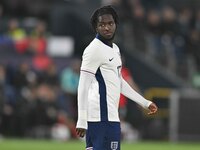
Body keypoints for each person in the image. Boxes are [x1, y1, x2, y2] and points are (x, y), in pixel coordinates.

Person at [76, 5, 158, 150]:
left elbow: (119, 82)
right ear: (96, 27)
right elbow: (83, 85)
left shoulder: (115, 49)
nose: (106, 28)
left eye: (110, 24)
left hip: (111, 116)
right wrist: (81, 119)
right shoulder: (93, 49)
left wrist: (144, 102)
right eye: (101, 24)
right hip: (101, 118)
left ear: (116, 25)